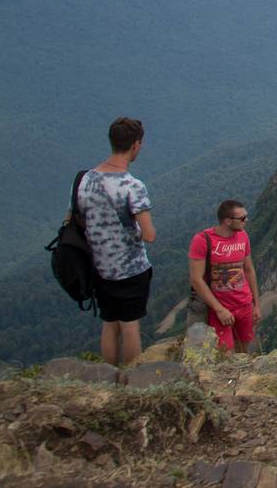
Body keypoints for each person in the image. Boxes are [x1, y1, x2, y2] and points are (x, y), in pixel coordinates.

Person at [76, 116, 156, 366]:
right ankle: (131, 379)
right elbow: (149, 234)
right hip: (130, 268)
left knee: (109, 324)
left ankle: (108, 377)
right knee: (130, 325)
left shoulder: (84, 180)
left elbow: (77, 218)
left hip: (99, 267)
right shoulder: (132, 186)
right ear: (135, 145)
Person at [188, 199, 258, 353]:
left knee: (243, 351)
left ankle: (238, 378)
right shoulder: (202, 240)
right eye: (242, 218)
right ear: (227, 221)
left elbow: (248, 270)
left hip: (244, 305)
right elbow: (196, 279)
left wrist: (256, 304)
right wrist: (219, 309)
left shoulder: (243, 236)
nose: (246, 221)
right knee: (224, 353)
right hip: (220, 309)